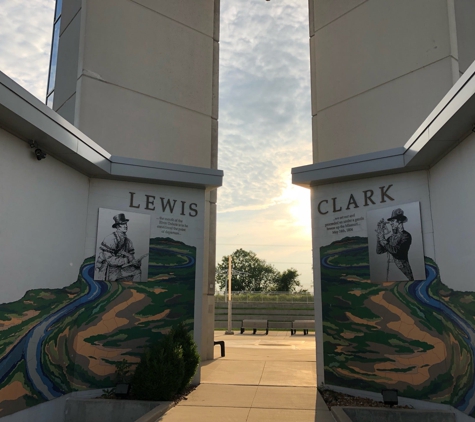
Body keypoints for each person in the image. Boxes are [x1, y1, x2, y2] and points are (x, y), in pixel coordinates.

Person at [95, 213, 142, 281]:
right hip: (109, 270)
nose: (126, 226)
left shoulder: (128, 241)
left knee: (137, 271)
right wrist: (126, 260)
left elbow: (131, 256)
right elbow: (110, 260)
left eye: (126, 224)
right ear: (117, 226)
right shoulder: (110, 239)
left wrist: (135, 262)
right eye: (123, 224)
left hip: (121, 268)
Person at [376, 208, 414, 281]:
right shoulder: (391, 238)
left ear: (399, 221)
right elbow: (379, 251)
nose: (390, 223)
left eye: (393, 221)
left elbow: (397, 252)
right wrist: (379, 235)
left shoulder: (406, 236)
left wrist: (383, 240)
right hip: (391, 270)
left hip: (403, 271)